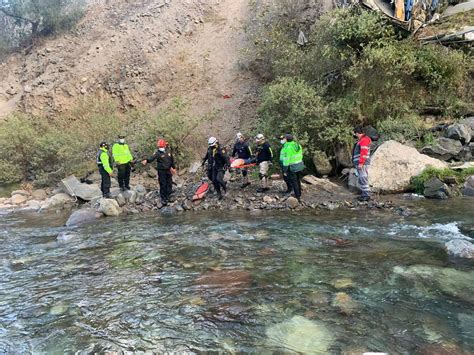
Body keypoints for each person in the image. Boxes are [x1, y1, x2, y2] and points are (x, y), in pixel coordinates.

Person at [142, 139, 176, 205]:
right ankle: (163, 198)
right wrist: (146, 160)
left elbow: (172, 160)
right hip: (161, 171)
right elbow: (152, 158)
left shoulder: (168, 152)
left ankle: (169, 195)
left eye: (162, 147)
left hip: (168, 171)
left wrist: (174, 168)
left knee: (169, 182)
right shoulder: (157, 153)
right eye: (160, 147)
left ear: (164, 146)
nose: (161, 148)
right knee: (163, 184)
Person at [280, 134, 305, 201]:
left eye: (284, 138)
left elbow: (286, 160)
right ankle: (299, 194)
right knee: (298, 180)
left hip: (292, 167)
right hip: (299, 165)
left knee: (294, 181)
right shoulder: (298, 145)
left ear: (286, 139)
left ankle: (297, 197)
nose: (283, 139)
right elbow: (301, 155)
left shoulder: (288, 148)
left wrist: (285, 170)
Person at [352, 126, 372, 202]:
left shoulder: (364, 140)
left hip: (362, 163)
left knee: (363, 178)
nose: (354, 135)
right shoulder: (362, 140)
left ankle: (366, 195)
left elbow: (364, 152)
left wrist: (360, 163)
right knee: (362, 178)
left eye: (355, 134)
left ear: (357, 133)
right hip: (361, 163)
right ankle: (364, 194)